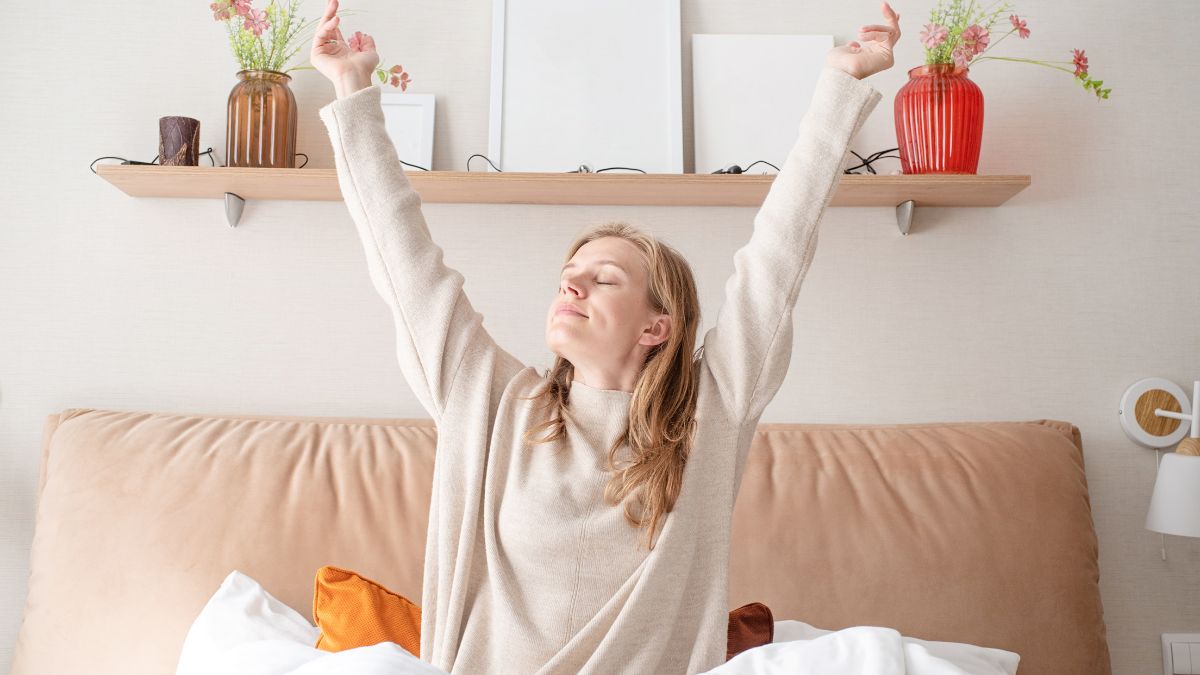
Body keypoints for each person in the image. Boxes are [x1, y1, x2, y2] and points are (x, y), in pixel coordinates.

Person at [310, 2, 900, 673]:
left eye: (604, 277)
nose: (573, 285)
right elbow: (403, 259)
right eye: (570, 274)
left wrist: (842, 85)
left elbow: (776, 258)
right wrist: (352, 90)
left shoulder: (709, 415)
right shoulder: (492, 402)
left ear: (658, 327)